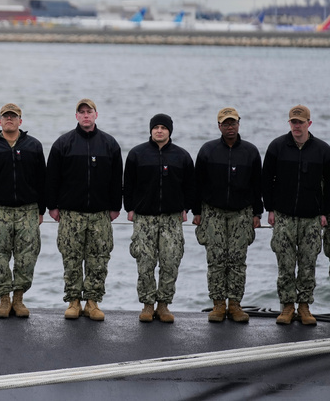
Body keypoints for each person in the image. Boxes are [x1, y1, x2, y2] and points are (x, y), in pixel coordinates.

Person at [45, 98, 122, 321]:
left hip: (100, 214)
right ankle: (73, 301)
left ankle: (92, 302)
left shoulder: (110, 144)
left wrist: (115, 207)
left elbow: (117, 178)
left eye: (89, 112)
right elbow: (52, 178)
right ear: (76, 116)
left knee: (99, 259)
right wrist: (53, 206)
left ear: (96, 115)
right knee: (71, 258)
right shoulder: (63, 144)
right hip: (71, 214)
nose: (86, 115)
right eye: (82, 112)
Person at [0, 103, 46, 319]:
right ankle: (4, 299)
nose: (9, 120)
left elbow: (43, 179)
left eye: (13, 117)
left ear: (20, 121)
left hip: (28, 210)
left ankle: (19, 298)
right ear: (0, 121)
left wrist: (41, 209)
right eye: (6, 116)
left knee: (27, 256)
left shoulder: (34, 146)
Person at [192, 107, 262, 323]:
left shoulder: (250, 152)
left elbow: (257, 184)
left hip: (242, 213)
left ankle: (236, 305)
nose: (229, 127)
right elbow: (197, 183)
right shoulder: (208, 150)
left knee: (238, 261)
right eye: (225, 123)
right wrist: (197, 212)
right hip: (213, 213)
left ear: (239, 124)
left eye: (233, 123)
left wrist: (257, 213)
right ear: (219, 126)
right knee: (216, 261)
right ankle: (218, 304)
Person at [123, 113, 195, 324]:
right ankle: (147, 304)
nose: (159, 131)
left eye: (163, 127)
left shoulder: (181, 156)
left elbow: (190, 186)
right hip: (144, 217)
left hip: (172, 218)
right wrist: (130, 208)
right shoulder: (137, 154)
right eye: (156, 127)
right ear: (151, 130)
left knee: (170, 261)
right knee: (145, 262)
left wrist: (186, 208)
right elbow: (129, 184)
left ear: (170, 131)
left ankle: (163, 305)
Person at [263, 105, 330, 326]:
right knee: (285, 263)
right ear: (289, 123)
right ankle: (288, 306)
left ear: (309, 123)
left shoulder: (322, 150)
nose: (297, 126)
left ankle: (304, 306)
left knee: (308, 263)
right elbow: (266, 180)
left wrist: (324, 212)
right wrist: (270, 209)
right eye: (293, 122)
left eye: (300, 122)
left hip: (311, 219)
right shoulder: (277, 147)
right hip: (283, 217)